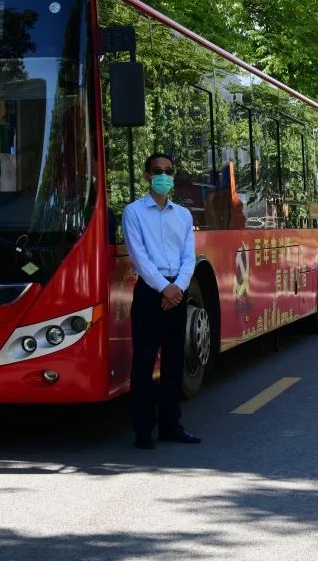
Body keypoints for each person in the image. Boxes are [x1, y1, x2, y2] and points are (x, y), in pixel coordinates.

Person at [122, 152, 201, 450]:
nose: (164, 176)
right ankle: (143, 430)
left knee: (174, 361)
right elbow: (139, 257)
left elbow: (189, 258)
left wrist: (177, 288)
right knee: (144, 362)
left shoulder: (183, 215)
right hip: (149, 293)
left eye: (168, 171)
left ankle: (171, 425)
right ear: (147, 176)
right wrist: (164, 288)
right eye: (158, 171)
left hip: (176, 292)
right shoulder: (133, 212)